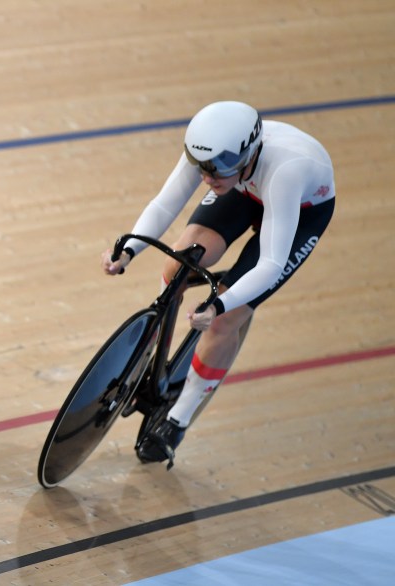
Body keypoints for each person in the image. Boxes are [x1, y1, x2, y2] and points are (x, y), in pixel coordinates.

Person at [101, 101, 335, 467]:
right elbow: (165, 205)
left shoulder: (286, 170)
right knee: (177, 261)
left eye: (217, 169)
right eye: (202, 169)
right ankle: (156, 358)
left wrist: (220, 306)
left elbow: (272, 262)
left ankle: (179, 418)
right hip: (243, 190)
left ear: (248, 153)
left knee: (228, 317)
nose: (207, 177)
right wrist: (129, 249)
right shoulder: (213, 157)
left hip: (300, 211)